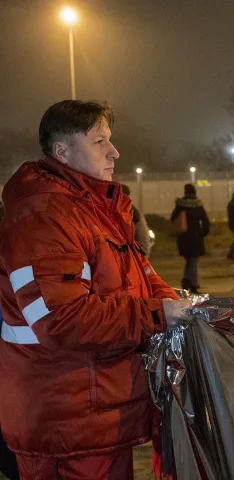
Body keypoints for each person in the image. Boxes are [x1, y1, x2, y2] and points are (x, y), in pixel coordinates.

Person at [0, 100, 193, 479]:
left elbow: (140, 277)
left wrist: (172, 302)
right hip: (64, 418)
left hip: (94, 410)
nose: (114, 151)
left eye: (111, 139)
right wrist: (158, 315)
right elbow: (61, 319)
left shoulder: (94, 212)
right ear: (62, 152)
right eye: (99, 141)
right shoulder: (44, 218)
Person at [171, 183, 211, 293]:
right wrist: (203, 233)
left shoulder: (180, 205)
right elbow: (206, 222)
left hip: (183, 237)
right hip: (196, 237)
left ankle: (190, 281)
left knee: (190, 260)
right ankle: (190, 283)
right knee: (193, 260)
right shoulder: (198, 205)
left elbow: (173, 218)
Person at [120, 183, 153, 256]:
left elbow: (143, 240)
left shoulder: (135, 215)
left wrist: (141, 260)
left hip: (130, 259)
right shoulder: (106, 213)